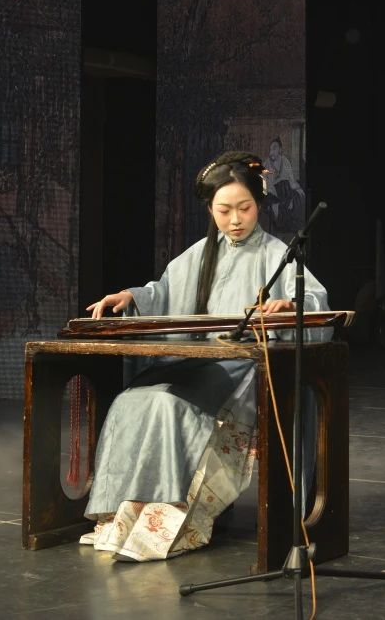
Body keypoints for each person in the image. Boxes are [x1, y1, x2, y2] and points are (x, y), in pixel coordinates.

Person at [82, 151, 331, 561]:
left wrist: (290, 306)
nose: (235, 220)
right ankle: (125, 519)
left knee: (168, 404)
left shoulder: (277, 254)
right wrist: (132, 296)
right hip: (197, 362)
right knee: (132, 401)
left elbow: (316, 301)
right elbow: (163, 290)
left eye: (244, 208)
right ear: (211, 210)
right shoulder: (200, 253)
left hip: (244, 371)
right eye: (224, 211)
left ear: (259, 204)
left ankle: (165, 526)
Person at [264, 137, 305, 231]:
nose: (272, 151)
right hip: (272, 193)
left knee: (297, 195)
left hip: (285, 192)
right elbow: (265, 185)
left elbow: (291, 180)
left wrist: (298, 188)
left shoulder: (285, 161)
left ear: (280, 150)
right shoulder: (266, 164)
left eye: (274, 148)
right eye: (271, 149)